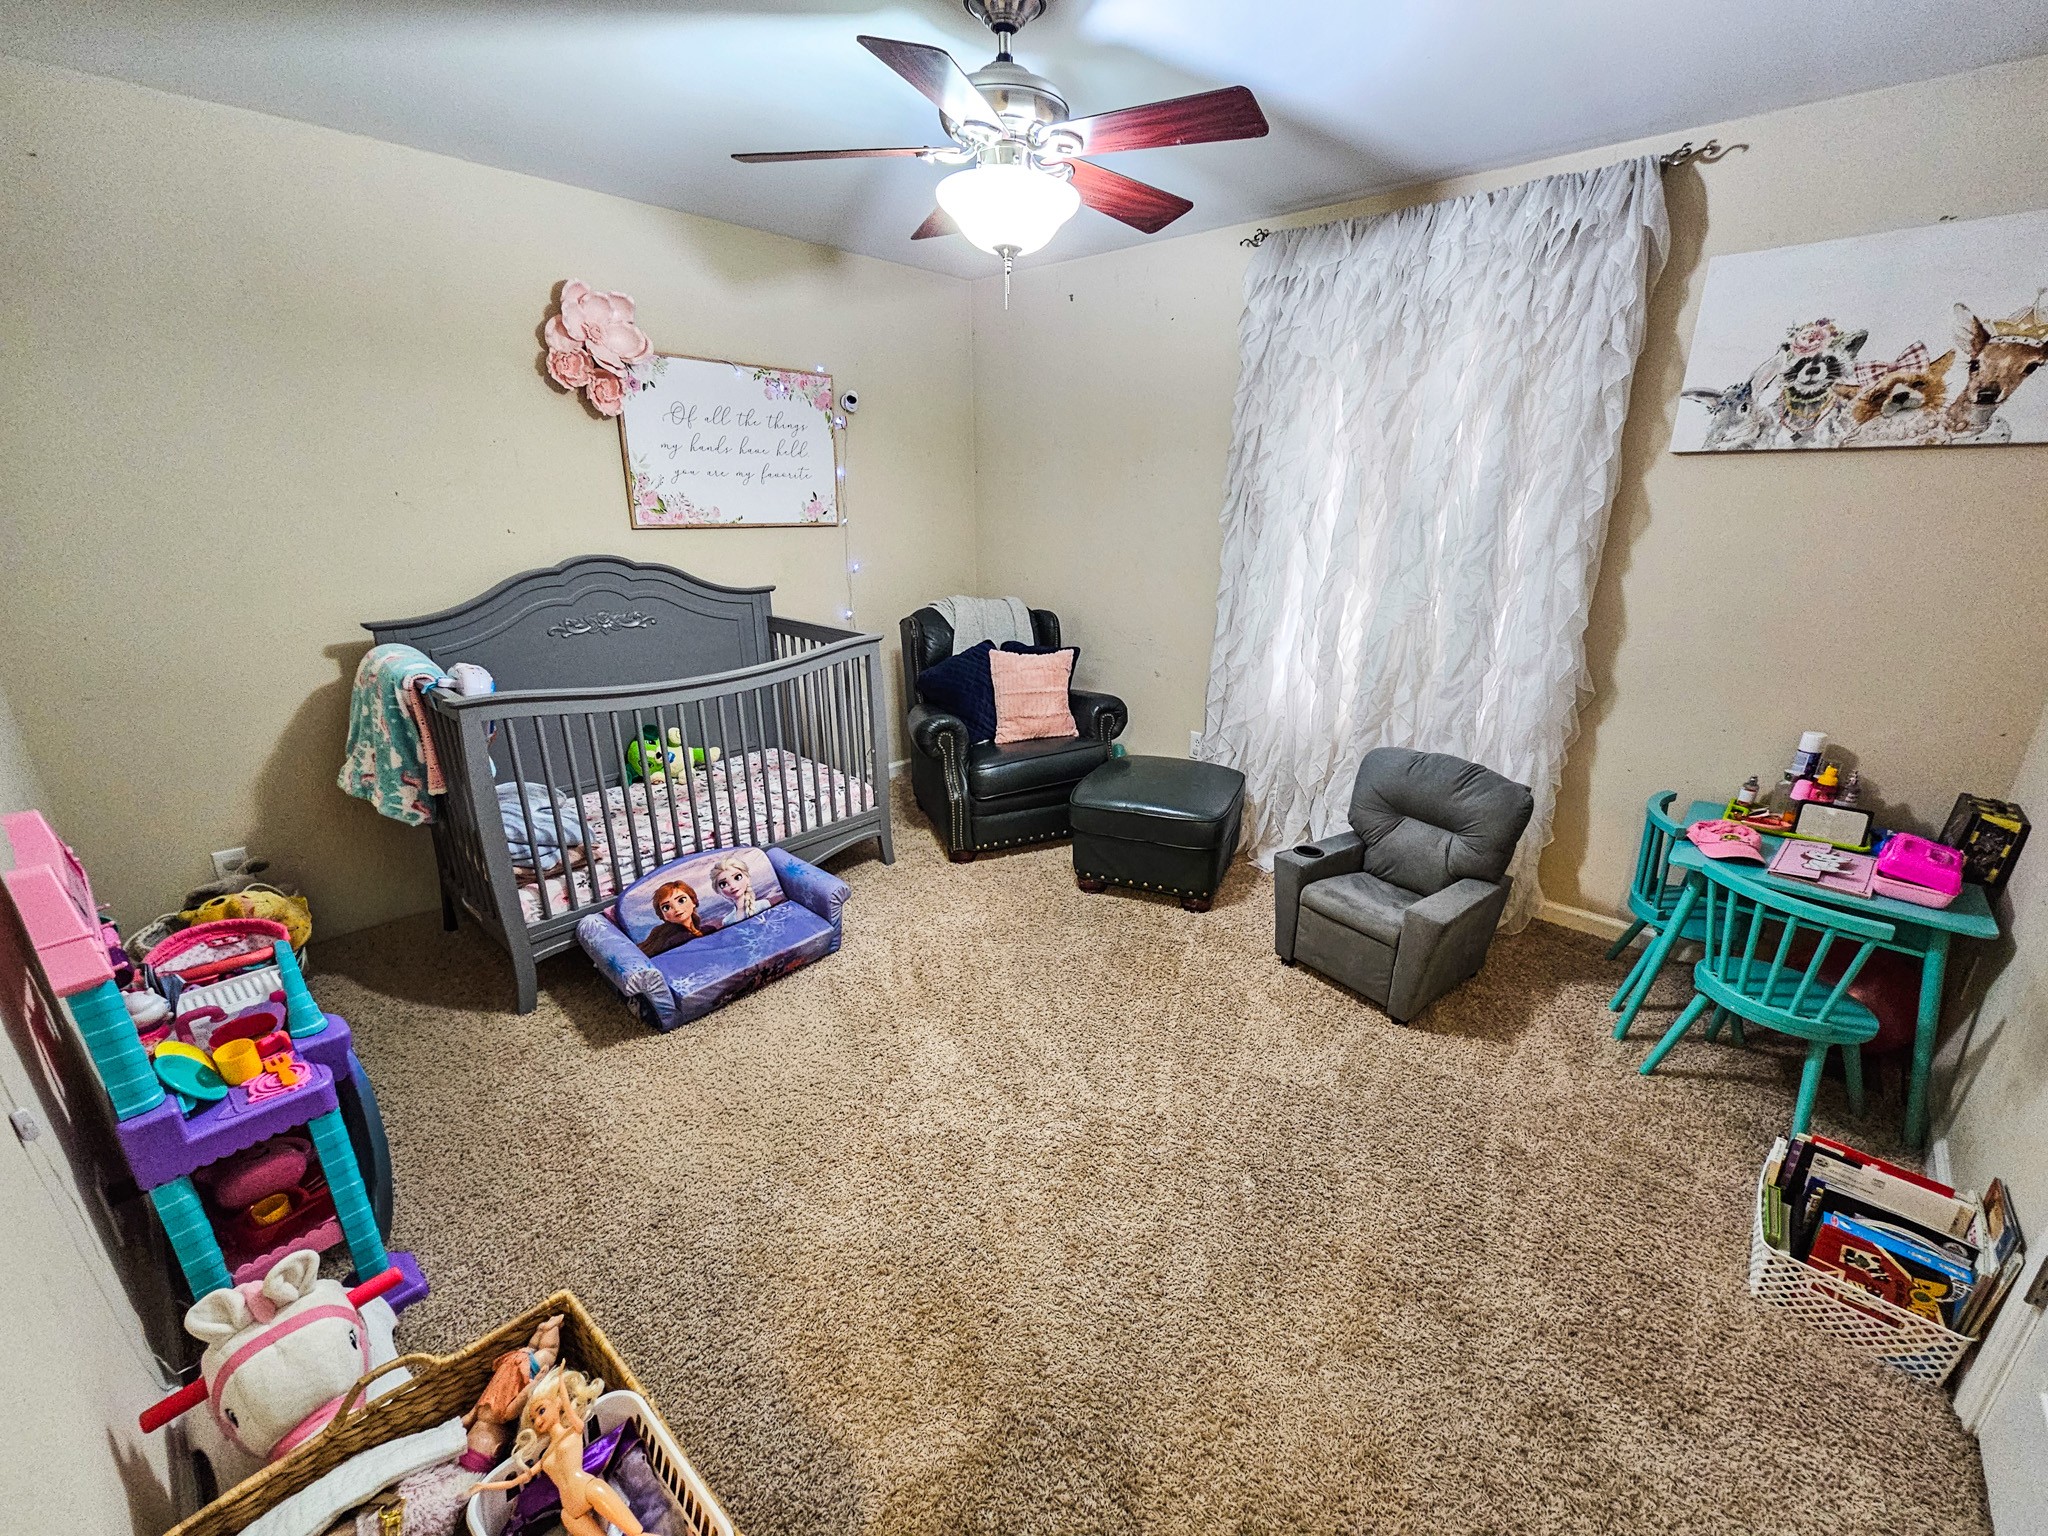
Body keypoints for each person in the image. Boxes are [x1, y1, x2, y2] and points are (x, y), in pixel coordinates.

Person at [638, 878, 707, 956]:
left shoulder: (706, 929)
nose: (676, 909)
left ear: (693, 901)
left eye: (681, 900)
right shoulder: (677, 940)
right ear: (663, 915)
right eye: (666, 907)